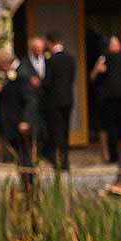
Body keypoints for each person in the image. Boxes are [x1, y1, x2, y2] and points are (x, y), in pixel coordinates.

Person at [0, 48, 41, 190]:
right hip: (13, 124)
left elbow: (30, 100)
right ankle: (26, 185)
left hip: (22, 125)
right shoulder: (12, 74)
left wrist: (26, 121)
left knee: (26, 158)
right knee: (21, 159)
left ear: (4, 64)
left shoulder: (22, 73)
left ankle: (30, 187)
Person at [42, 32, 76, 170]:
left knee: (56, 132)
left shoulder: (51, 60)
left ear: (50, 43)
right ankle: (65, 161)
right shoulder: (70, 58)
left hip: (54, 101)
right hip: (68, 99)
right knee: (65, 130)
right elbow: (72, 78)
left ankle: (58, 161)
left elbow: (48, 83)